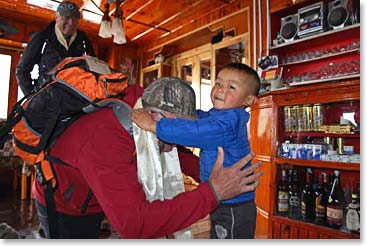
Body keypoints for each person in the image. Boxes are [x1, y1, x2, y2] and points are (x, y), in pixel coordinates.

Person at [32, 79, 263, 239]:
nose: (174, 137)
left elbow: (176, 152)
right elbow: (135, 225)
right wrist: (213, 192)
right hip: (65, 201)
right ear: (152, 116)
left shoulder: (151, 108)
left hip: (94, 192)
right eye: (172, 128)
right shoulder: (104, 141)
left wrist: (228, 173)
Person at [131, 63, 261, 239]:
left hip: (234, 204)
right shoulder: (220, 117)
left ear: (248, 101)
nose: (221, 90)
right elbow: (197, 119)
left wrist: (154, 125)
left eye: (231, 87)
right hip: (226, 199)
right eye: (218, 83)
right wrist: (180, 114)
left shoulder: (226, 125)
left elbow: (195, 131)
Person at [16, 1, 95, 95]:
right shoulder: (42, 37)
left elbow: (93, 69)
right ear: (56, 17)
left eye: (75, 19)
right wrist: (32, 97)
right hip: (47, 101)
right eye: (67, 17)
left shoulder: (84, 41)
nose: (71, 23)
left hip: (75, 101)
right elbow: (22, 71)